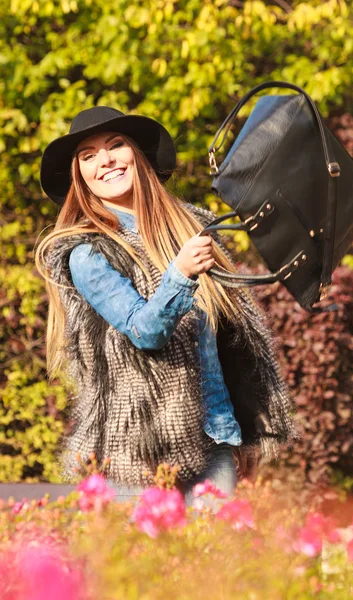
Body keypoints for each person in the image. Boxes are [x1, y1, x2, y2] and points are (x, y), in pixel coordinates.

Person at [35, 106, 294, 505]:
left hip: (213, 443)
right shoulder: (88, 252)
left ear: (137, 154)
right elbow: (146, 331)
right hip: (135, 456)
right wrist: (181, 274)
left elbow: (231, 340)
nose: (104, 160)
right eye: (88, 155)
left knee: (216, 565)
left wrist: (246, 430)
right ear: (80, 175)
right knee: (142, 567)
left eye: (115, 145)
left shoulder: (189, 229)